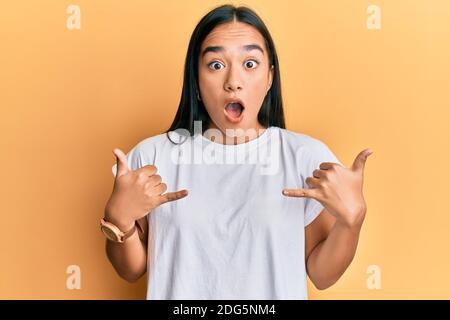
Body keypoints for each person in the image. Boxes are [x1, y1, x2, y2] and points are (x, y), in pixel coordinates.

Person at [101, 4, 372, 299]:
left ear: (269, 77)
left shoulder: (304, 156)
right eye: (216, 64)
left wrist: (351, 221)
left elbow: (322, 275)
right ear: (196, 78)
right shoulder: (153, 157)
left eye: (250, 63)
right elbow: (131, 270)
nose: (233, 82)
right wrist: (119, 220)